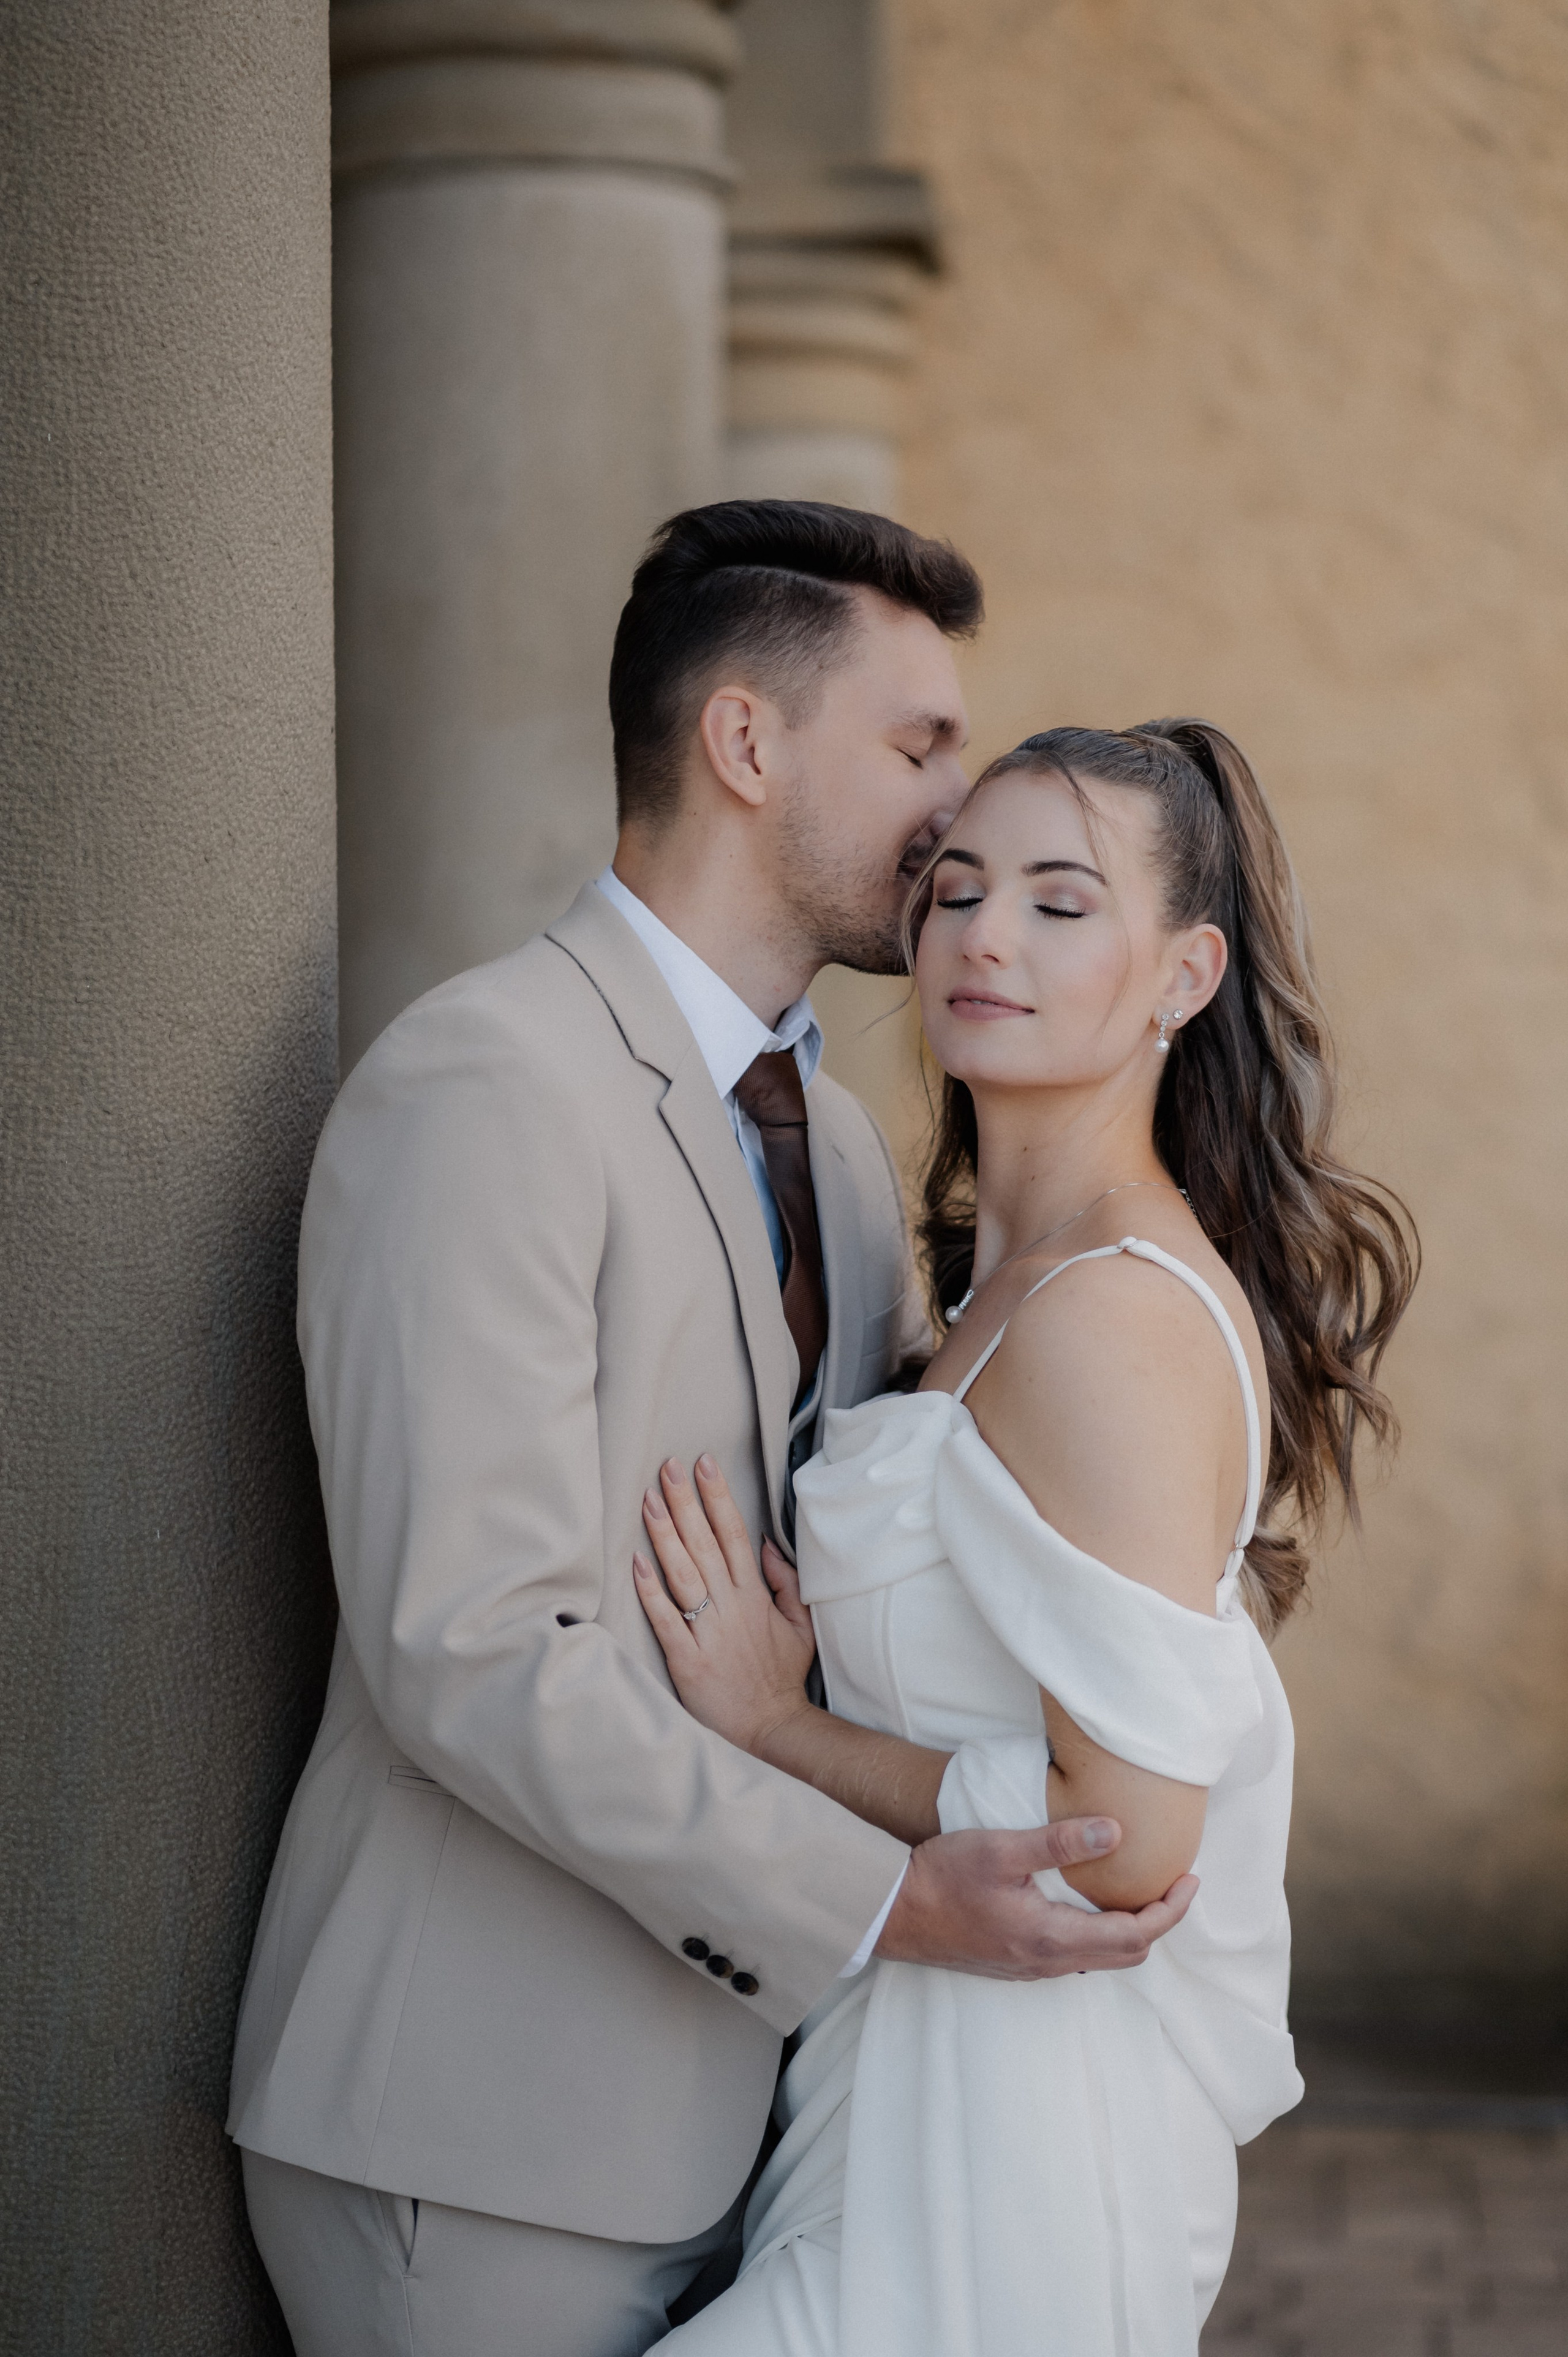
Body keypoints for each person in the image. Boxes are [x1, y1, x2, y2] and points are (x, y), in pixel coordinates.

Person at [227, 508, 1200, 2357]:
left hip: (761, 2122)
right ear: (746, 744)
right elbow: (470, 1649)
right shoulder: (486, 1084)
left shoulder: (840, 1149)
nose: (957, 808)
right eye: (919, 745)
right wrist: (888, 1902)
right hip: (485, 2129)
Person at [635, 721, 1419, 2355]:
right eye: (956, 891)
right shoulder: (1008, 1286)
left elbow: (1121, 1840)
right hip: (906, 2080)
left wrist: (779, 1729)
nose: (985, 935)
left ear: (1185, 975)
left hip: (1021, 2129)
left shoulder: (1110, 1319)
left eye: (1061, 904)